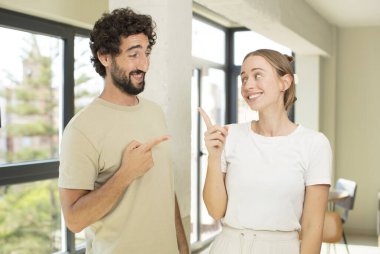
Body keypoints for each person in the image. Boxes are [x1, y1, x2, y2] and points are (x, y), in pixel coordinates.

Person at [58, 8, 188, 254]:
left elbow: (165, 190)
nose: (144, 64)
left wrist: (183, 248)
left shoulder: (155, 112)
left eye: (147, 53)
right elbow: (74, 221)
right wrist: (125, 174)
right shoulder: (81, 129)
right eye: (134, 54)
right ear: (105, 57)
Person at [199, 49, 332, 254]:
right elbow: (215, 211)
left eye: (257, 75)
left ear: (284, 82)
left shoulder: (314, 144)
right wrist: (214, 156)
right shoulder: (230, 135)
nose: (248, 85)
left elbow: (313, 225)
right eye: (244, 79)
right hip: (228, 246)